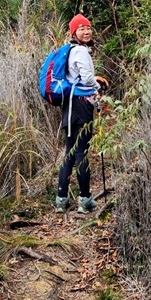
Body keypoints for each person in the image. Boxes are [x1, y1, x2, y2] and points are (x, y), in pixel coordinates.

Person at [55, 14, 101, 214]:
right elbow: (88, 79)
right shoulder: (81, 52)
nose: (86, 31)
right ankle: (85, 200)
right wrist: (98, 85)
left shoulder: (70, 51)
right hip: (81, 105)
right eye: (81, 28)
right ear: (74, 33)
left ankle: (61, 200)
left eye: (88, 27)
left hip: (69, 106)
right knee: (81, 152)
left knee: (70, 153)